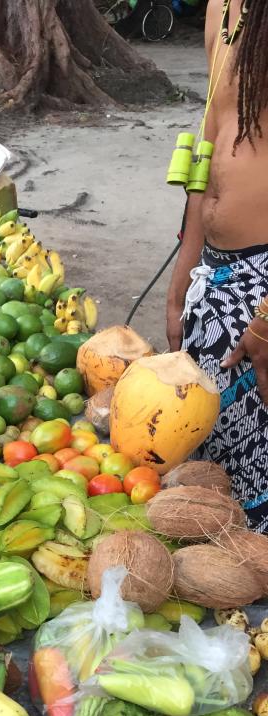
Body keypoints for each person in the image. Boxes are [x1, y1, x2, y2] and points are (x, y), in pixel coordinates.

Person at [166, 0, 268, 533]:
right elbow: (210, 140)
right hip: (215, 273)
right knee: (210, 465)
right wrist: (183, 276)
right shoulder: (222, 8)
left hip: (264, 282)